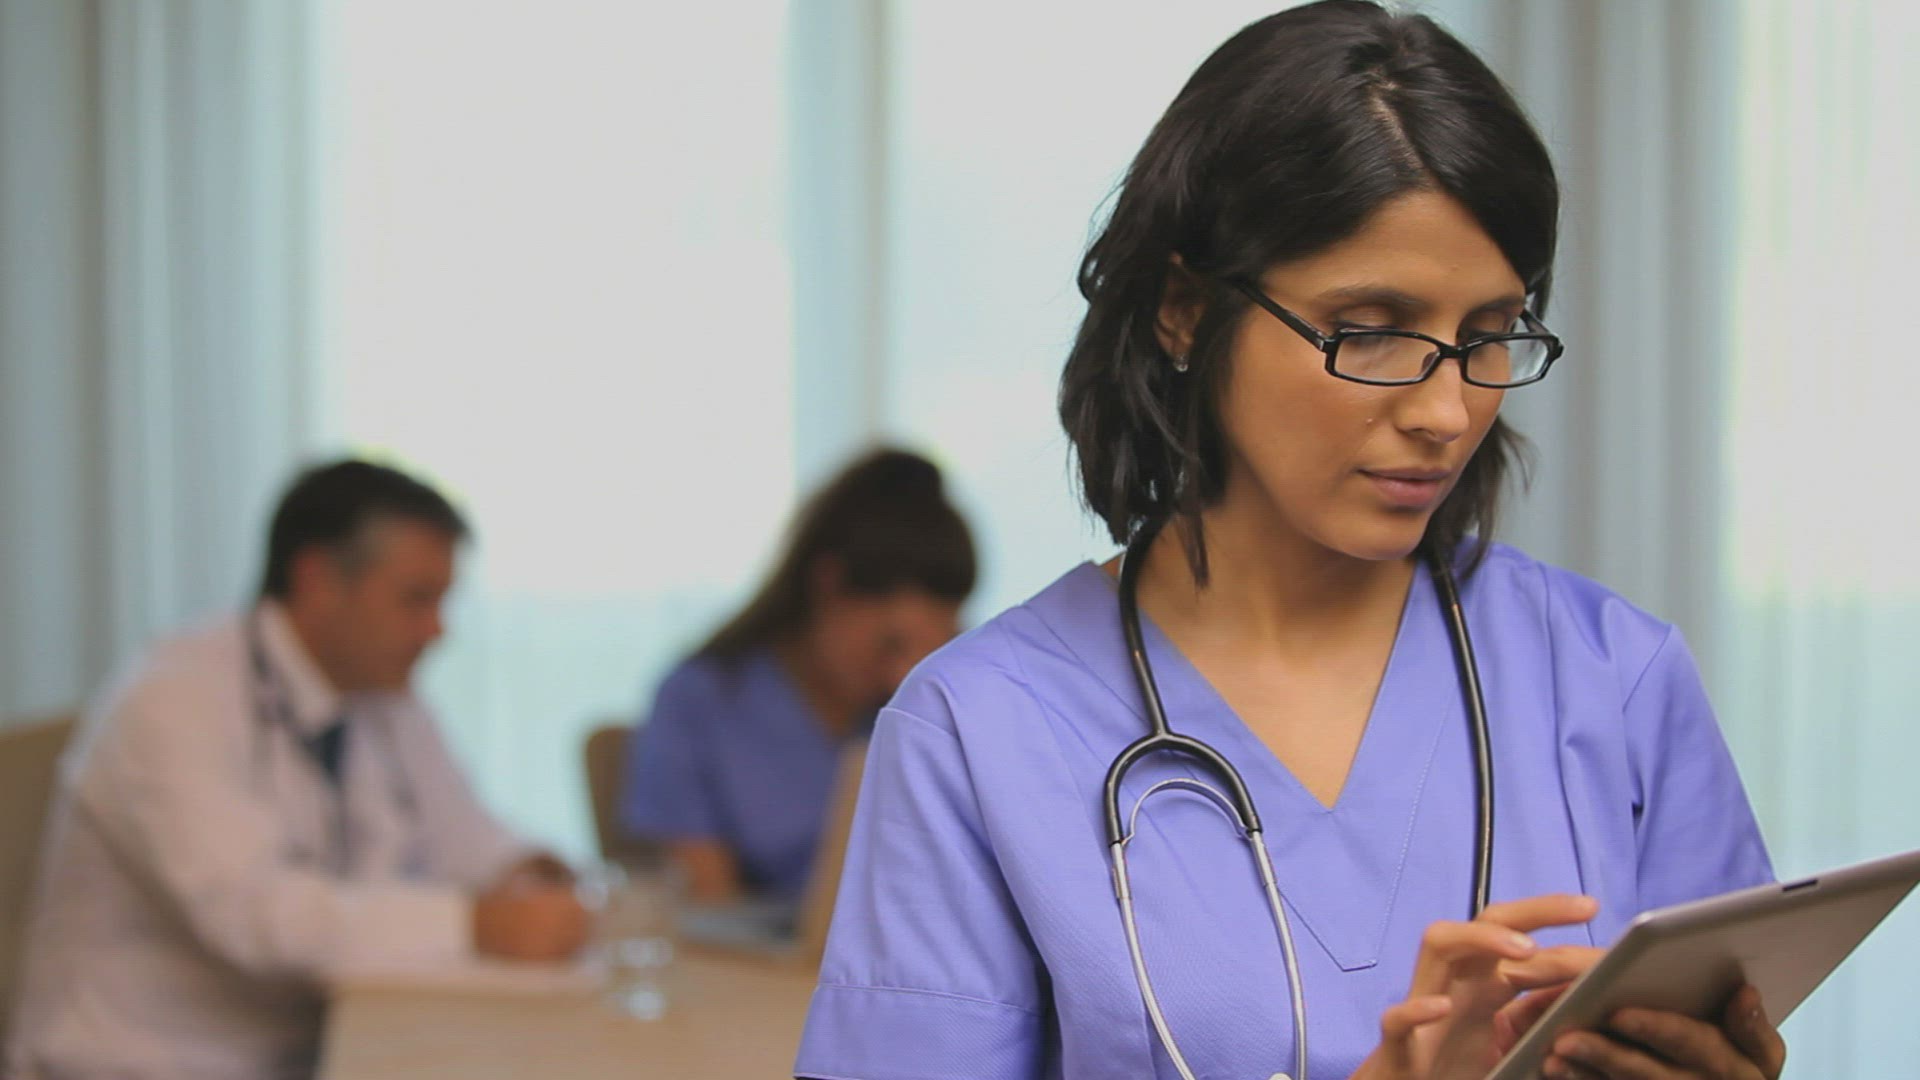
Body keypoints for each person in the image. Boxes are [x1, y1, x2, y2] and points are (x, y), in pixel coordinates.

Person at [795, 5, 1784, 1080]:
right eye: (1371, 330)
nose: (1446, 411)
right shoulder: (980, 730)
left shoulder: (1617, 679)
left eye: (1489, 336)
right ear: (1184, 308)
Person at [5, 459, 587, 1080]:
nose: (437, 630)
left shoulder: (381, 693)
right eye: (416, 599)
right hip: (148, 1063)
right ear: (319, 580)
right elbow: (256, 915)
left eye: (443, 601)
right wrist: (476, 925)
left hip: (311, 1050)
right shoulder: (173, 699)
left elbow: (462, 832)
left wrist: (527, 871)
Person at [620, 448, 975, 906]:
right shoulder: (701, 699)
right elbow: (707, 903)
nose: (898, 674)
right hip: (760, 949)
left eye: (933, 651)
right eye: (892, 645)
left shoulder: (930, 708)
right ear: (828, 585)